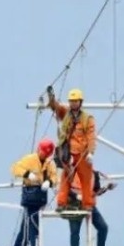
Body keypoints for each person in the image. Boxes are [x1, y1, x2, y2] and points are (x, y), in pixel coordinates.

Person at [45, 86, 97, 214]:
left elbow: (91, 136)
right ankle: (61, 203)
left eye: (75, 101)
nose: (73, 103)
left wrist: (90, 152)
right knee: (66, 178)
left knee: (85, 178)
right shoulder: (66, 114)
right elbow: (56, 108)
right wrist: (51, 98)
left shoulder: (87, 119)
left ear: (80, 102)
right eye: (71, 101)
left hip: (82, 153)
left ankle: (87, 204)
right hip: (69, 152)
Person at [9, 138, 59, 246]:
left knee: (26, 225)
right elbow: (15, 168)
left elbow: (54, 177)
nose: (42, 153)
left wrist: (49, 182)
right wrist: (27, 174)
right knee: (33, 223)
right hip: (30, 196)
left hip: (40, 198)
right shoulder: (30, 159)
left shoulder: (49, 164)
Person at [66, 170, 114, 246]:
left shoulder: (94, 174)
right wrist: (76, 196)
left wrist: (106, 188)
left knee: (103, 227)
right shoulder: (72, 171)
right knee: (75, 232)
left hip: (89, 205)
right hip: (74, 205)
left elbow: (96, 190)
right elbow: (65, 188)